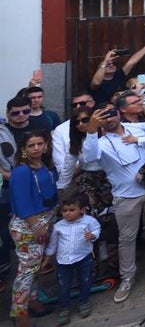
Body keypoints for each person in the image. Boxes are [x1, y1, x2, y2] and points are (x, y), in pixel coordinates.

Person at [81, 103, 145, 304]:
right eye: (104, 117)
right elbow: (89, 158)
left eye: (111, 114)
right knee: (127, 239)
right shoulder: (100, 142)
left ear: (119, 114)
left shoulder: (137, 129)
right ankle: (127, 278)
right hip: (125, 197)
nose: (109, 119)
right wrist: (92, 131)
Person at [8, 132, 58, 326]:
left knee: (36, 268)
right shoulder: (21, 171)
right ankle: (19, 313)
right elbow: (22, 202)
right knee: (27, 270)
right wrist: (36, 226)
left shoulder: (46, 166)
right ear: (23, 149)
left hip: (45, 221)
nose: (36, 148)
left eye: (40, 144)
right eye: (31, 145)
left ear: (46, 146)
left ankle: (34, 301)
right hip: (29, 226)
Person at [45, 191, 101, 325]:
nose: (67, 213)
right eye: (64, 210)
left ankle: (84, 302)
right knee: (64, 286)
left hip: (83, 258)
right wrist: (47, 259)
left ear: (82, 210)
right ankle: (64, 308)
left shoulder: (89, 221)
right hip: (63, 262)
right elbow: (53, 244)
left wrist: (92, 236)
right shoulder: (58, 226)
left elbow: (97, 230)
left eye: (72, 210)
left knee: (85, 281)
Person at [92, 37, 145, 105]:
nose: (111, 65)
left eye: (113, 64)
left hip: (124, 106)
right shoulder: (97, 80)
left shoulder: (119, 74)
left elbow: (132, 61)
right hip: (105, 109)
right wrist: (105, 60)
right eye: (108, 65)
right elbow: (96, 83)